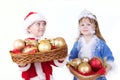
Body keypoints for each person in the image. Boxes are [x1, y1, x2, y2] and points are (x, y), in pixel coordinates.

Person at [18, 12, 66, 80]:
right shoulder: (24, 44)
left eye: (44, 24)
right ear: (29, 28)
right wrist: (22, 64)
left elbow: (51, 60)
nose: (42, 27)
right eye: (38, 24)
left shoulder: (46, 44)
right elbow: (20, 58)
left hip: (47, 76)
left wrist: (59, 59)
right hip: (31, 77)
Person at [69, 10, 114, 80]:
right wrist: (73, 65)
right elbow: (72, 57)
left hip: (97, 77)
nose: (85, 27)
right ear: (79, 27)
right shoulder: (78, 43)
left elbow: (109, 58)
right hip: (81, 76)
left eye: (88, 24)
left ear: (94, 26)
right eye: (82, 25)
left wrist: (107, 68)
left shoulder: (100, 43)